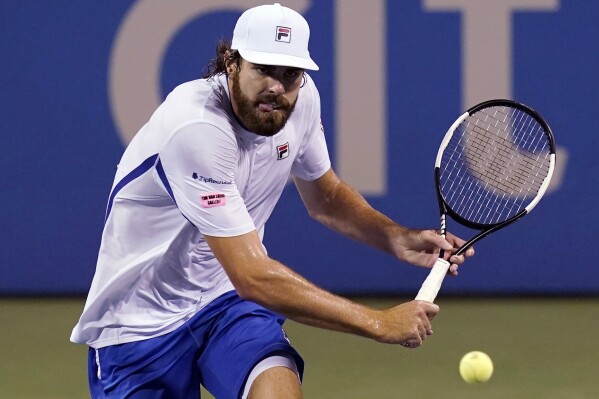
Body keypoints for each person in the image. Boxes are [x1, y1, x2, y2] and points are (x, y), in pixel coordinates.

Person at [71, 3, 474, 398]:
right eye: (263, 69)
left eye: (290, 73)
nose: (277, 87)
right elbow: (254, 277)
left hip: (224, 302)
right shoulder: (195, 129)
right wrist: (379, 323)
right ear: (232, 63)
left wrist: (395, 238)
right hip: (139, 326)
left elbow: (327, 197)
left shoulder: (300, 99)